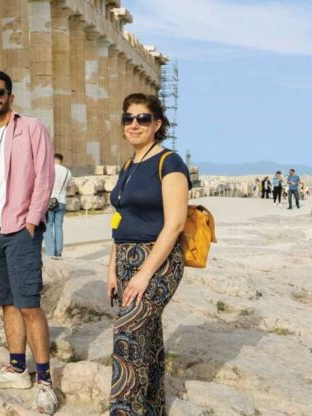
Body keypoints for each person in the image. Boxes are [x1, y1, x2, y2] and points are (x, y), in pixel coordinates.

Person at [0, 70, 58, 415]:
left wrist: (32, 222)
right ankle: (18, 368)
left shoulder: (32, 127)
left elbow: (44, 177)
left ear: (10, 95)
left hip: (20, 230)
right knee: (6, 303)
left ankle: (45, 380)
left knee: (29, 304)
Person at [107, 93, 192, 415]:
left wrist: (144, 274)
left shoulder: (168, 162)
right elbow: (120, 220)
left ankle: (124, 410)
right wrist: (111, 268)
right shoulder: (129, 165)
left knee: (127, 336)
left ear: (157, 124)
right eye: (128, 118)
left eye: (143, 118)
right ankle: (153, 409)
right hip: (125, 258)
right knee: (148, 339)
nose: (134, 124)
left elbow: (175, 223)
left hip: (158, 262)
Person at [44, 153, 73, 258]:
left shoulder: (49, 170)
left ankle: (51, 253)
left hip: (50, 201)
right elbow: (70, 188)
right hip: (62, 201)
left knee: (48, 227)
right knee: (59, 227)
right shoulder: (67, 172)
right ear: (61, 160)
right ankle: (58, 252)